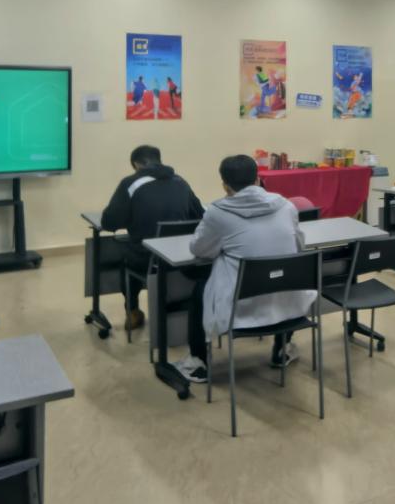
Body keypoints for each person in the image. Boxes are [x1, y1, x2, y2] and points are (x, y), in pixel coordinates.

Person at [182, 155, 315, 384]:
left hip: (239, 307)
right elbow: (298, 246)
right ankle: (282, 349)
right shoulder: (286, 206)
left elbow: (200, 249)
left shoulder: (217, 212)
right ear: (258, 179)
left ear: (225, 185)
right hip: (287, 304)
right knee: (284, 274)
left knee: (200, 291)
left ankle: (198, 362)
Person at [100, 144, 204, 332]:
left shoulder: (130, 183)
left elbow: (109, 222)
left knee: (126, 254)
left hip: (148, 259)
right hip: (181, 257)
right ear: (159, 160)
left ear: (136, 164)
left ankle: (133, 310)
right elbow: (199, 215)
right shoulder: (181, 181)